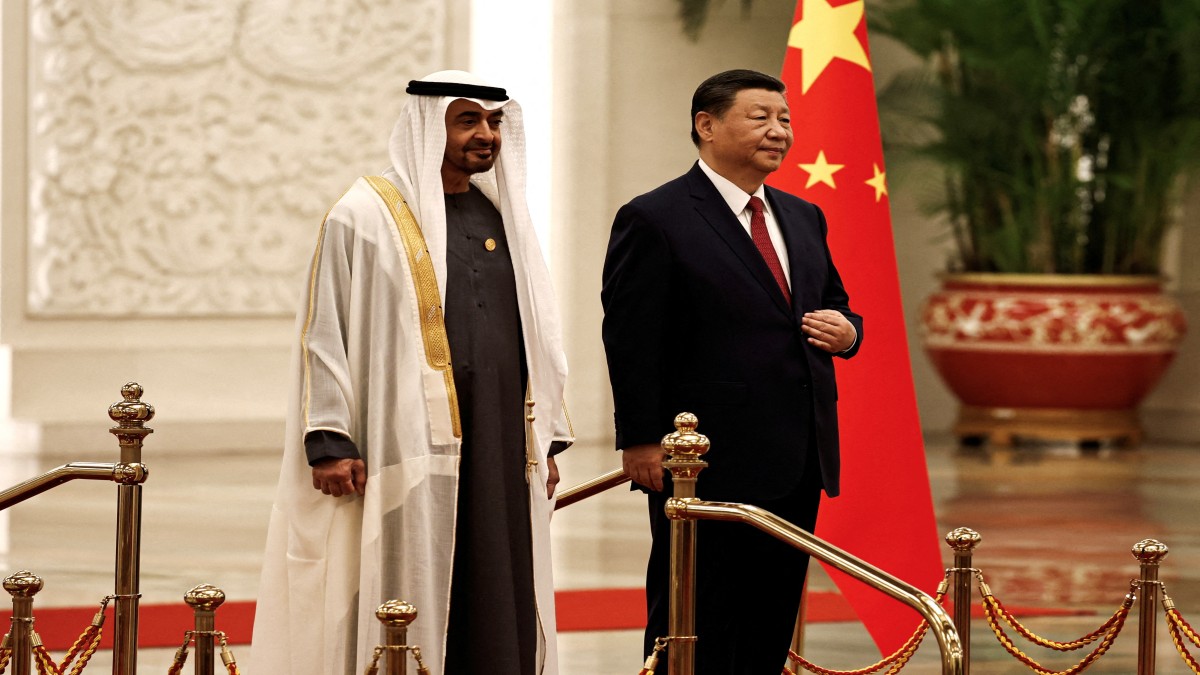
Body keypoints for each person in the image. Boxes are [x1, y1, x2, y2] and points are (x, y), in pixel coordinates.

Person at [251, 70, 573, 675]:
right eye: (468, 120)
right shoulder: (363, 214)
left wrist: (546, 434)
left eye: (495, 122)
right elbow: (324, 332)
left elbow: (537, 330)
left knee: (498, 574)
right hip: (399, 443)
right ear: (428, 126)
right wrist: (329, 438)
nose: (487, 135)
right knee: (404, 575)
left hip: (500, 438)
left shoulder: (502, 215)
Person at [601, 69, 863, 674]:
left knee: (770, 618)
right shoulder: (655, 217)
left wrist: (850, 334)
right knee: (696, 618)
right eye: (761, 117)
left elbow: (836, 303)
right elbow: (631, 337)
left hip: (798, 451)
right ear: (707, 125)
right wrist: (641, 437)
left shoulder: (803, 216)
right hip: (702, 460)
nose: (779, 131)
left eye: (785, 120)